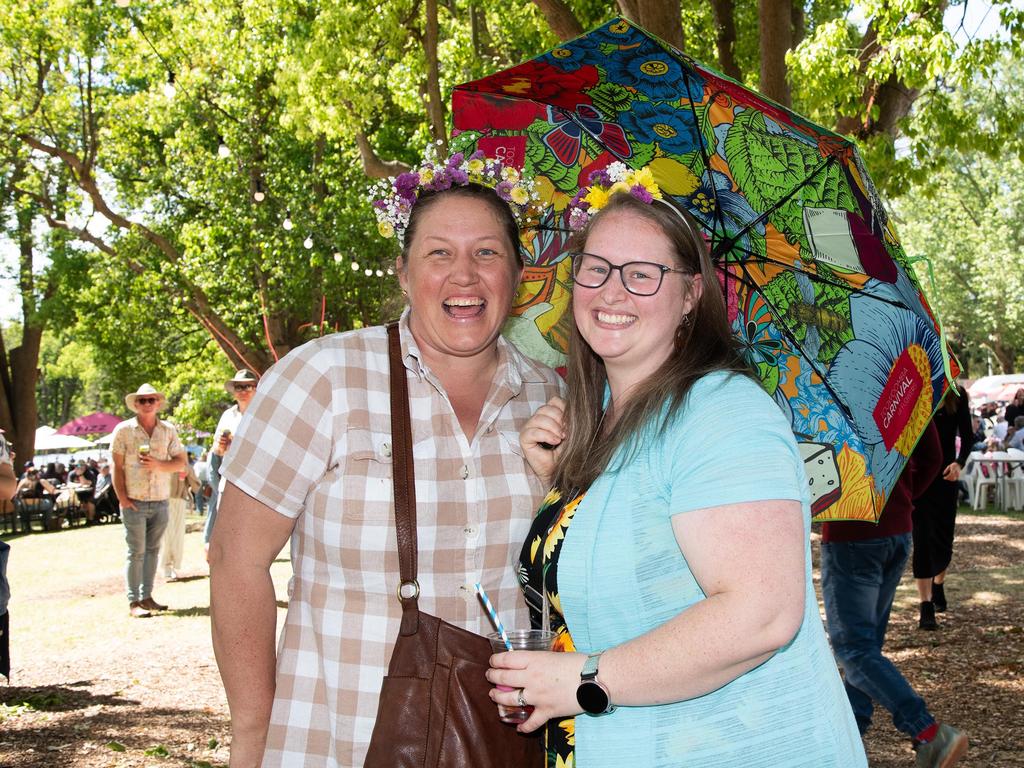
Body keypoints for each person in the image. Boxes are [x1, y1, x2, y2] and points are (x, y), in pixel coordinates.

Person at [489, 174, 865, 767]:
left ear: (691, 295)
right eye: (596, 268)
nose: (612, 291)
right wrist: (555, 487)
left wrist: (582, 679)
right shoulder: (604, 426)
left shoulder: (723, 412)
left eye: (642, 274)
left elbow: (762, 613)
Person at [208, 150, 561, 767]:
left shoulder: (553, 398)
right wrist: (253, 734)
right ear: (402, 273)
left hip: (501, 737)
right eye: (439, 253)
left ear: (519, 277)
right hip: (342, 730)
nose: (464, 276)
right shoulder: (323, 377)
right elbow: (236, 560)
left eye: (487, 252)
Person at [822, 421, 968, 766]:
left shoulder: (828, 391)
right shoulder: (903, 381)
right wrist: (900, 495)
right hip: (896, 530)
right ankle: (849, 733)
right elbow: (933, 456)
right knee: (865, 647)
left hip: (852, 532)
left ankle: (928, 732)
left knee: (853, 648)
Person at [111, 383, 186, 618]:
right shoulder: (123, 430)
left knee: (153, 551)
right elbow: (116, 465)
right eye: (142, 400)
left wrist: (159, 465)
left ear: (158, 403)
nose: (147, 404)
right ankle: (134, 601)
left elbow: (181, 462)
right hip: (135, 500)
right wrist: (122, 498)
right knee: (136, 552)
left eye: (151, 400)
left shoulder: (168, 430)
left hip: (160, 500)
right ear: (135, 404)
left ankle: (147, 596)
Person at [912, 385, 972, 629]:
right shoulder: (913, 390)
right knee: (922, 540)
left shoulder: (956, 395)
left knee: (944, 541)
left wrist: (960, 462)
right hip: (920, 478)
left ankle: (938, 583)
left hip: (946, 478)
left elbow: (968, 436)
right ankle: (926, 606)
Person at [203, 369, 259, 553]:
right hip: (229, 479)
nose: (243, 390)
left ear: (255, 389)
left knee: (252, 531)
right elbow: (217, 451)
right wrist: (222, 445)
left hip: (255, 479)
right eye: (238, 387)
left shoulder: (262, 415)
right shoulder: (227, 416)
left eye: (247, 386)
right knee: (227, 528)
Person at [161, 462, 200, 580]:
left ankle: (172, 565)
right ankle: (166, 566)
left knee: (177, 536)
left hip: (180, 501)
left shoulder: (185, 464)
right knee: (167, 535)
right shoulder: (163, 460)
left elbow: (196, 486)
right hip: (164, 500)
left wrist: (188, 472)